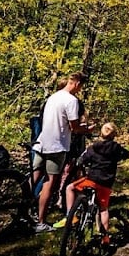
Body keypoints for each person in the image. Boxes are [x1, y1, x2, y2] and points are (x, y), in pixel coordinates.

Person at [32, 72, 91, 232]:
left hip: (41, 142)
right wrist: (87, 129)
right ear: (77, 83)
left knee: (34, 177)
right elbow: (75, 127)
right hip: (56, 146)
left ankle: (25, 210)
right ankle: (41, 222)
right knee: (49, 184)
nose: (80, 90)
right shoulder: (71, 101)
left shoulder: (53, 97)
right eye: (81, 86)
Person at [57, 122, 129, 245]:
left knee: (70, 188)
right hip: (106, 183)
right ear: (114, 135)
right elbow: (126, 154)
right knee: (103, 209)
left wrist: (79, 164)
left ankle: (70, 215)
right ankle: (105, 237)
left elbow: (82, 159)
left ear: (101, 134)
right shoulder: (116, 148)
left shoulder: (93, 148)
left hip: (92, 180)